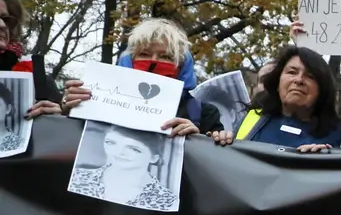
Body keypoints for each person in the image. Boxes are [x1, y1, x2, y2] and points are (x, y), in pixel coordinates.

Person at [62, 18, 224, 140]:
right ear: (128, 60)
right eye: (144, 54)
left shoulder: (204, 114)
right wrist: (67, 111)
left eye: (165, 56)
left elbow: (215, 164)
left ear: (182, 66)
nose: (154, 62)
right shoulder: (96, 98)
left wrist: (198, 139)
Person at [234, 45, 341, 150]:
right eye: (292, 72)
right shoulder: (251, 119)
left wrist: (323, 161)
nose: (299, 80)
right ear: (277, 82)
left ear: (322, 88)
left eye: (310, 76)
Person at [67, 125, 177, 210]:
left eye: (133, 149)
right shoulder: (77, 176)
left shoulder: (167, 200)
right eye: (111, 143)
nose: (118, 153)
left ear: (154, 158)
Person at [0, 0, 62, 118]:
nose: (2, 25)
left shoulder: (37, 80)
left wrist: (57, 118)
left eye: (6, 19)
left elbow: (62, 134)